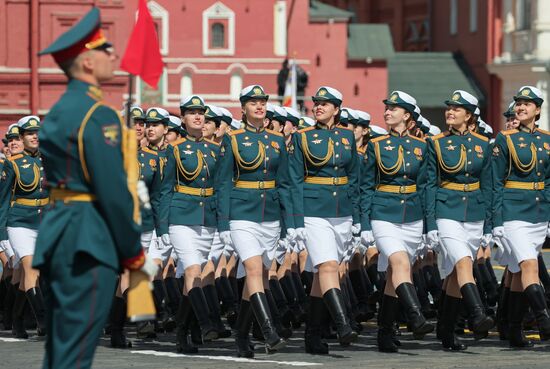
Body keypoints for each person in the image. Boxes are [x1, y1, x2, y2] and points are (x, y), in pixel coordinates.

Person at [34, 8, 157, 369]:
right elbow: (114, 191)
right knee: (74, 356)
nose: (113, 55)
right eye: (105, 49)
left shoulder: (58, 112)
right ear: (87, 62)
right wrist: (133, 252)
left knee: (60, 351)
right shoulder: (98, 115)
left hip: (59, 234)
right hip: (89, 241)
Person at [216, 85, 291, 357]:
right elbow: (223, 183)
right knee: (253, 268)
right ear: (243, 108)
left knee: (258, 278)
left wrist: (289, 223)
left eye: (262, 102)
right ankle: (269, 331)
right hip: (242, 214)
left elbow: (284, 183)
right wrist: (223, 224)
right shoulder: (233, 139)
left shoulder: (277, 140)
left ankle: (241, 335)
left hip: (269, 215)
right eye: (253, 102)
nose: (259, 106)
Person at [360, 90, 434, 353]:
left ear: (408, 117)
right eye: (387, 108)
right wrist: (365, 224)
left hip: (412, 217)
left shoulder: (423, 147)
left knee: (395, 274)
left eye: (395, 108)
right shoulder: (376, 145)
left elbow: (426, 186)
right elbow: (366, 186)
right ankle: (416, 316)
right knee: (399, 262)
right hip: (384, 214)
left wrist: (429, 226)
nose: (388, 111)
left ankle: (385, 331)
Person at [288, 86, 359, 355]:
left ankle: (312, 336)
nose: (319, 107)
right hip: (313, 210)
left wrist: (357, 217)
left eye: (325, 104)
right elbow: (293, 181)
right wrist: (295, 220)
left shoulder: (347, 137)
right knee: (328, 266)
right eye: (316, 103)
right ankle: (343, 324)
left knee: (323, 275)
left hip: (341, 211)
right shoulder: (302, 137)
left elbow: (355, 177)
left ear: (336, 109)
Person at [425, 90, 494, 351]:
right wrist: (430, 224)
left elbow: (488, 186)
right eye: (448, 108)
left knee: (455, 273)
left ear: (469, 115)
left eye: (456, 109)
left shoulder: (483, 144)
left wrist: (488, 225)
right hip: (447, 211)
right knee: (464, 263)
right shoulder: (437, 142)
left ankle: (446, 332)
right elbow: (429, 185)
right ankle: (477, 313)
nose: (450, 112)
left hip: (474, 214)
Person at [159, 95, 225, 353]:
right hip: (181, 216)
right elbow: (164, 190)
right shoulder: (174, 150)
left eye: (201, 113)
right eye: (192, 113)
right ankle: (207, 322)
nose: (198, 117)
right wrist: (163, 227)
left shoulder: (215, 150)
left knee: (192, 278)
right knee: (192, 271)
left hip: (206, 218)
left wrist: (222, 221)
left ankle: (183, 332)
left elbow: (219, 187)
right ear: (183, 118)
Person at [492, 86, 550, 348]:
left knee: (516, 271)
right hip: (513, 212)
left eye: (527, 104)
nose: (521, 107)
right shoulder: (505, 139)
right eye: (519, 103)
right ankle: (544, 320)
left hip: (538, 213)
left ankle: (514, 330)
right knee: (529, 265)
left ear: (538, 110)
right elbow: (495, 181)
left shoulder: (547, 140)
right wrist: (495, 220)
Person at [0, 115, 48, 339]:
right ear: (22, 137)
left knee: (25, 276)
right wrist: (1, 234)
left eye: (37, 132)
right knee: (31, 269)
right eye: (30, 133)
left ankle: (17, 318)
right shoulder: (13, 163)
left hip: (44, 222)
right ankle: (44, 320)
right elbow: (2, 201)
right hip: (19, 223)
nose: (35, 136)